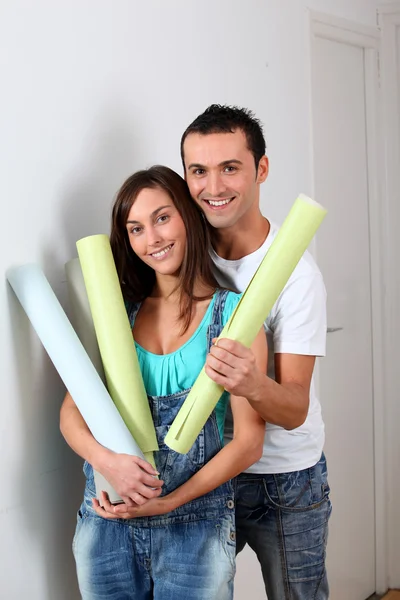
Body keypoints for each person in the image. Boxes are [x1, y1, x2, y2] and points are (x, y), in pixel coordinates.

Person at [60, 165, 268, 600]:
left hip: (195, 526)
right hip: (107, 521)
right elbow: (70, 413)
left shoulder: (233, 316)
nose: (151, 239)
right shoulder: (118, 314)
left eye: (161, 218)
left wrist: (170, 501)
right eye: (135, 228)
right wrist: (108, 461)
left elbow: (249, 442)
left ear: (188, 216)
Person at [180, 104, 331, 600]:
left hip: (282, 480)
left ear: (261, 169)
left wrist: (252, 383)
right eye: (199, 171)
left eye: (230, 168)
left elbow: (294, 408)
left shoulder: (296, 276)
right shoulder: (183, 253)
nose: (213, 187)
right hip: (205, 466)